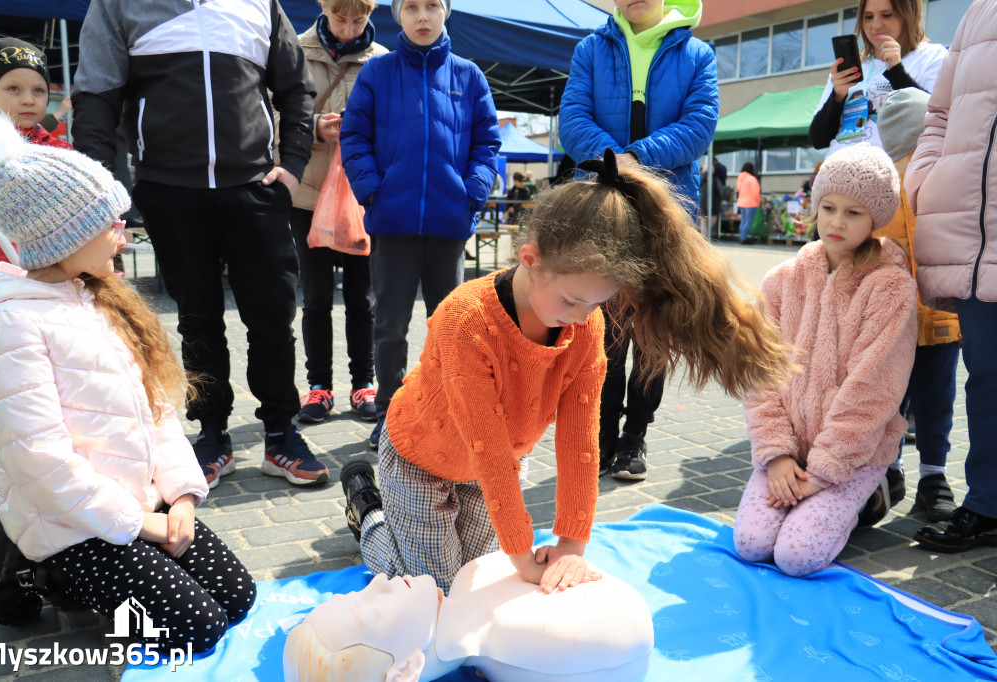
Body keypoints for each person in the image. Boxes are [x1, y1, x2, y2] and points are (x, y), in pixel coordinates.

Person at [339, 150, 795, 595]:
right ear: (530, 259)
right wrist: (522, 555)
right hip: (421, 458)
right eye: (573, 301)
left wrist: (572, 544)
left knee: (477, 578)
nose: (583, 317)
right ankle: (370, 510)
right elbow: (489, 446)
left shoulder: (585, 326)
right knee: (432, 592)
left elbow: (580, 440)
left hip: (485, 472)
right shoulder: (467, 320)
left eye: (598, 302)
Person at [0, 112, 255, 651]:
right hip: (70, 520)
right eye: (110, 223)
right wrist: (143, 525)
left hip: (136, 503)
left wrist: (182, 498)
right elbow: (39, 461)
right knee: (198, 630)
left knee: (236, 596)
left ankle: (103, 561)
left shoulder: (96, 296)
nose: (123, 236)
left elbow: (157, 412)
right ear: (63, 237)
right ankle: (36, 567)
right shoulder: (9, 324)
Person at [72, 0, 326, 488]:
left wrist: (292, 166)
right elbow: (97, 96)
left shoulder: (260, 4)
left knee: (273, 317)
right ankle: (212, 434)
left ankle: (280, 433)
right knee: (197, 320)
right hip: (169, 189)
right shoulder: (120, 4)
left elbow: (297, 89)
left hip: (255, 187)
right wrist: (101, 195)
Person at [734, 144, 917, 577]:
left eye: (854, 213)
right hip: (790, 448)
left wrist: (824, 472)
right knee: (751, 544)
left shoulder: (890, 287)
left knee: (797, 556)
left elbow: (873, 388)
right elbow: (759, 372)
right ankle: (834, 495)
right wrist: (777, 455)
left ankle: (869, 494)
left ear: (876, 219)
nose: (836, 222)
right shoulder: (781, 281)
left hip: (852, 453)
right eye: (829, 207)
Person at [558, 0, 718, 480]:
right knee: (602, 324)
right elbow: (572, 120)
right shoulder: (590, 47)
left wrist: (633, 157)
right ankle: (601, 432)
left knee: (653, 328)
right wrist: (613, 161)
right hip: (603, 206)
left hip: (668, 210)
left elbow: (699, 125)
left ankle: (636, 436)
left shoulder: (697, 53)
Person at [340, 0, 501, 450]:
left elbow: (488, 141)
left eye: (433, 5)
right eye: (411, 6)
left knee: (448, 325)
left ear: (447, 11)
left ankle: (444, 408)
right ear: (397, 15)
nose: (423, 16)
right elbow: (354, 136)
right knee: (390, 322)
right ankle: (391, 412)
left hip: (448, 225)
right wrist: (373, 190)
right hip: (392, 224)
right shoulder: (377, 73)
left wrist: (472, 193)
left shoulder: (469, 76)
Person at [906, 0, 997, 554]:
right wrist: (925, 178)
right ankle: (987, 503)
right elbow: (939, 114)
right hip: (972, 225)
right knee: (987, 375)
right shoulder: (979, 13)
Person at [283, 551, 654, 681]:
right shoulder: (513, 636)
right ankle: (370, 515)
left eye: (360, 590)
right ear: (406, 671)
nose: (377, 581)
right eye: (369, 606)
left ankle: (371, 515)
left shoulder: (471, 578)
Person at [290, 0, 387, 426]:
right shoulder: (293, 51)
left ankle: (364, 383)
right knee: (314, 297)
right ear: (322, 7)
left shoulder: (382, 59)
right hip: (308, 196)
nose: (348, 28)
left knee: (362, 299)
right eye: (339, 17)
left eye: (359, 19)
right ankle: (318, 387)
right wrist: (313, 128)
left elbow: (396, 122)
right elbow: (268, 113)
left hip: (362, 196)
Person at [873, 88, 960, 523]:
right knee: (891, 399)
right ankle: (889, 470)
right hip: (894, 325)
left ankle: (934, 476)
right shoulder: (881, 198)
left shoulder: (947, 189)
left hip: (943, 319)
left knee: (937, 400)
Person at [0, 38, 72, 267]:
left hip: (49, 271)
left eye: (38, 90)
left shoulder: (62, 152)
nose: (28, 100)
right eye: (13, 89)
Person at [808, 0, 948, 155]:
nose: (876, 25)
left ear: (909, 14)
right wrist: (837, 97)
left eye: (887, 15)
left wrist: (897, 72)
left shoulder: (932, 56)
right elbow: (818, 139)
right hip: (837, 170)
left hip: (893, 171)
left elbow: (936, 122)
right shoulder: (851, 67)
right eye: (868, 17)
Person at [736, 162, 761, 244]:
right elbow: (756, 192)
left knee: (743, 221)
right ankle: (744, 239)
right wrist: (759, 201)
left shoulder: (741, 178)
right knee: (748, 222)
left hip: (741, 202)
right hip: (750, 203)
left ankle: (742, 237)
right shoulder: (752, 179)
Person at [698, 164, 723, 239]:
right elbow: (721, 190)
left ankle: (703, 237)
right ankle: (708, 232)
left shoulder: (700, 178)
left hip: (702, 201)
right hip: (714, 202)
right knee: (714, 217)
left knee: (703, 220)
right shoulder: (715, 178)